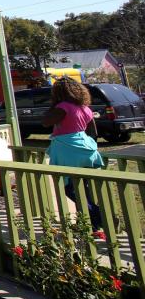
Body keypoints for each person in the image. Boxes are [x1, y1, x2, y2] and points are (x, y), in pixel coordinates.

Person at [43, 78, 105, 234]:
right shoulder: (85, 108)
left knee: (70, 189)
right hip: (86, 148)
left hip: (68, 149)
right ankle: (89, 225)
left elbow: (46, 122)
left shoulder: (63, 107)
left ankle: (99, 215)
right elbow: (93, 132)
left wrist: (53, 106)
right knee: (83, 188)